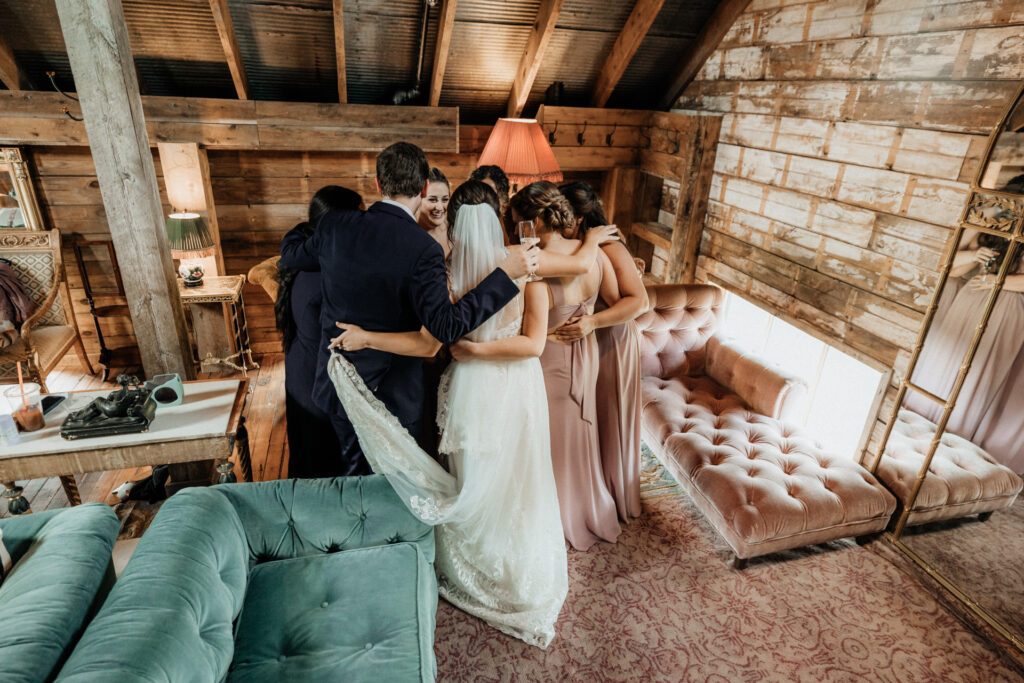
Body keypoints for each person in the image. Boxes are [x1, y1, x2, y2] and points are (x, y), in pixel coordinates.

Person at [327, 180, 567, 648]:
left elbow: (439, 343)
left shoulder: (452, 280)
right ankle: (513, 568)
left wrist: (469, 353)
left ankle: (485, 564)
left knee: (486, 475)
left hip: (479, 385)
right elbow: (532, 345)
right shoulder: (526, 273)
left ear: (454, 225)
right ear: (498, 220)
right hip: (515, 386)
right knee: (509, 477)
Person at [279, 142, 538, 476]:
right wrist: (504, 278)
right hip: (395, 396)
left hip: (339, 387)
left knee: (351, 476)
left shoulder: (335, 227)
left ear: (378, 183)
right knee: (396, 485)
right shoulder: (422, 249)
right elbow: (445, 327)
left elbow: (290, 254)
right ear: (424, 187)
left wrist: (304, 229)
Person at [509, 181, 622, 551]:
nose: (517, 232)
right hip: (585, 354)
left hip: (550, 359)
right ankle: (585, 508)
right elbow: (606, 294)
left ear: (538, 219)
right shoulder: (595, 256)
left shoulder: (537, 268)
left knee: (551, 441)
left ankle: (557, 518)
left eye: (520, 223)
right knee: (577, 436)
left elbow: (530, 332)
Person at [555, 182, 649, 521]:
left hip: (615, 336)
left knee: (612, 414)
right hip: (590, 340)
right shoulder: (578, 246)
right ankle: (594, 491)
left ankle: (616, 494)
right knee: (595, 419)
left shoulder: (610, 245)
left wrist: (593, 322)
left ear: (578, 219)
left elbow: (640, 300)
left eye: (560, 213)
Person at [906, 227, 1024, 473]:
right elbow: (949, 265)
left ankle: (949, 451)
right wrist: (973, 255)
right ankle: (912, 439)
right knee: (945, 367)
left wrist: (997, 281)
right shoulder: (997, 217)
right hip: (971, 299)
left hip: (1008, 307)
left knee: (977, 379)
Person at [275, 186, 364, 478]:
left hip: (301, 372)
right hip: (317, 384)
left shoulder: (303, 249)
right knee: (324, 465)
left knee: (307, 457)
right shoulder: (326, 276)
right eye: (359, 216)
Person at [418, 167, 452, 257]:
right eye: (433, 200)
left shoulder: (455, 231)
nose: (440, 207)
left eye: (445, 200)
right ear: (418, 199)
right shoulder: (407, 233)